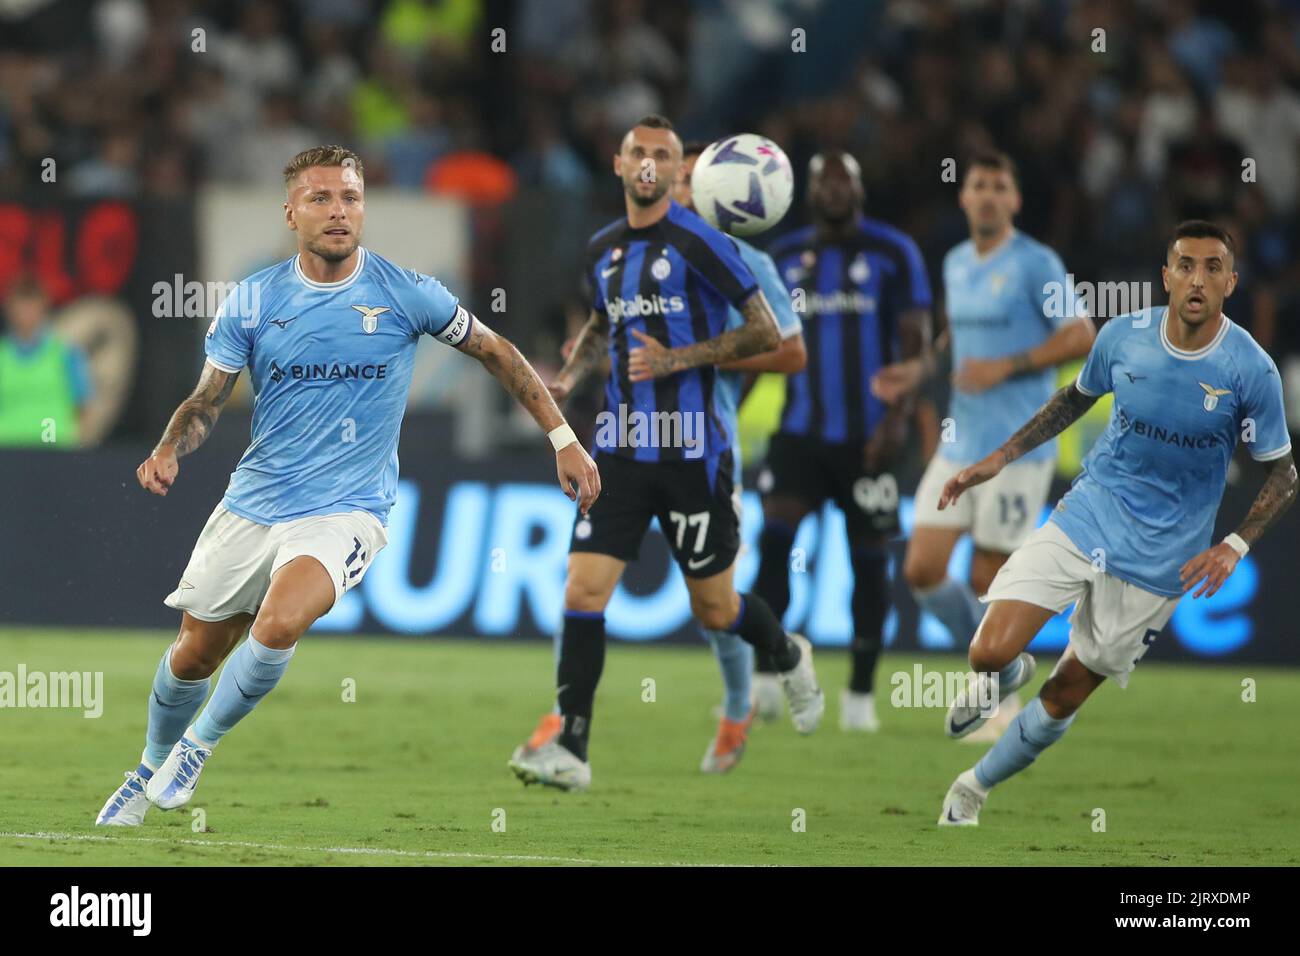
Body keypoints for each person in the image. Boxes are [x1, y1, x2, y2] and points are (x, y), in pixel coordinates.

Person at [95, 145, 599, 826]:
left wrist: (563, 439)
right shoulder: (255, 298)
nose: (338, 211)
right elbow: (209, 400)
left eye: (350, 198)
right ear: (291, 211)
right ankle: (147, 767)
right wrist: (168, 447)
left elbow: (497, 352)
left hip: (347, 509)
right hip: (255, 501)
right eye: (321, 198)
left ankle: (196, 749)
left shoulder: (406, 292)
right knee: (194, 655)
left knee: (278, 624)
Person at [935, 220, 1296, 825]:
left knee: (1065, 693)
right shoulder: (1123, 336)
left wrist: (1234, 544)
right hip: (1089, 515)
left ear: (1231, 283)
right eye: (1185, 265)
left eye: (1212, 268)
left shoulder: (1251, 371)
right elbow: (1074, 399)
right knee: (987, 652)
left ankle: (973, 787)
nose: (1197, 279)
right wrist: (998, 458)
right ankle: (1006, 674)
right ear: (1166, 276)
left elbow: (1283, 474)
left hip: (1161, 559)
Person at [507, 115, 824, 792]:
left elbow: (774, 336)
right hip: (619, 450)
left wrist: (681, 357)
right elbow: (603, 319)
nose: (658, 168)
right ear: (620, 165)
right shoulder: (604, 248)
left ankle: (782, 656)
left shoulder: (713, 247)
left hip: (696, 454)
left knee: (715, 610)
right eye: (641, 154)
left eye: (669, 158)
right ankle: (573, 745)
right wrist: (571, 375)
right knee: (583, 590)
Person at [872, 151, 1095, 739]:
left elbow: (1080, 334)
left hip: (1018, 449)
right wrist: (919, 371)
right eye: (979, 186)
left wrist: (1010, 365)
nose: (990, 195)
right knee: (921, 570)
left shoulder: (1035, 263)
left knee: (987, 576)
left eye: (1001, 186)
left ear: (1015, 201)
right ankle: (1005, 667)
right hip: (959, 444)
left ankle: (991, 697)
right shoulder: (955, 263)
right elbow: (956, 337)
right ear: (964, 198)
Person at [750, 150, 932, 732]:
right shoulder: (782, 257)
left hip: (869, 439)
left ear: (859, 190)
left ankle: (859, 695)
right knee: (774, 547)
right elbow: (761, 344)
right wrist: (724, 414)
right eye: (822, 181)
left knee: (870, 566)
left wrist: (897, 422)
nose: (832, 190)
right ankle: (764, 677)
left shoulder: (892, 253)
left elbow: (915, 346)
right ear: (807, 194)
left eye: (842, 181)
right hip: (799, 434)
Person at [0, 275, 93, 448]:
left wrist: (79, 447)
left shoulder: (67, 353)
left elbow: (83, 406)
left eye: (31, 304)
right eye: (21, 304)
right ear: (9, 308)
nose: (26, 312)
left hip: (54, 453)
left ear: (44, 306)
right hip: (6, 454)